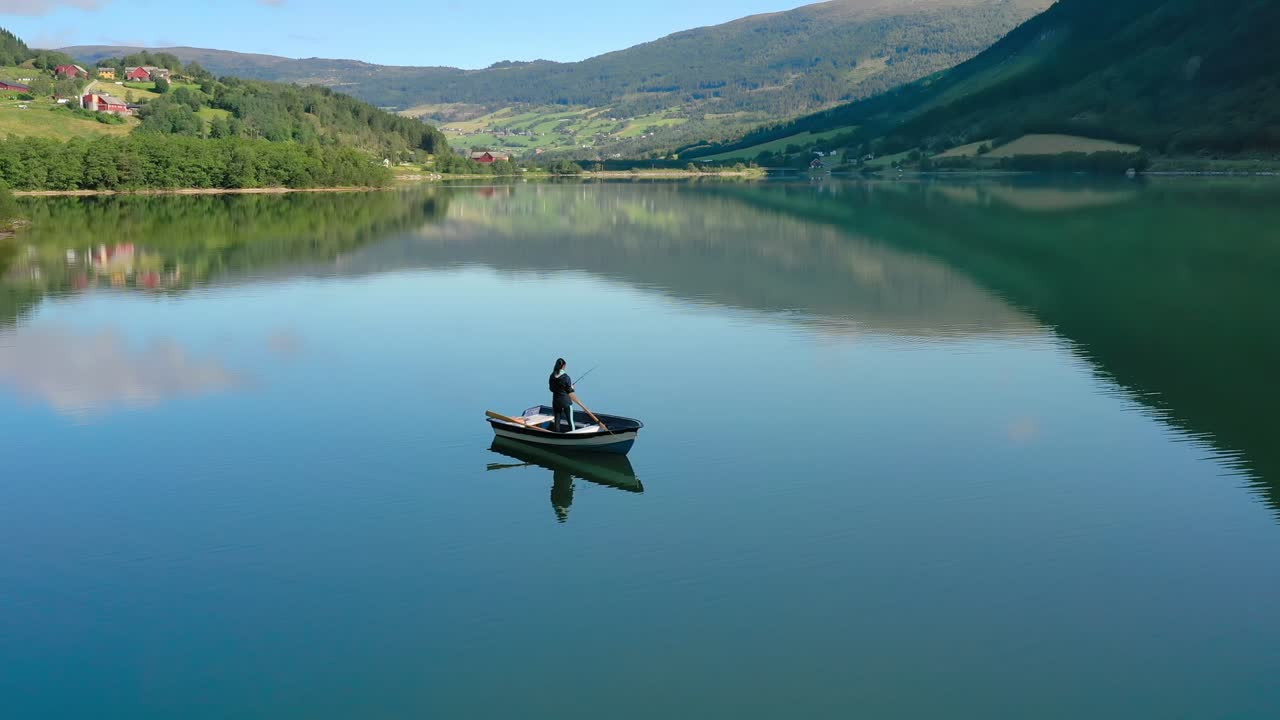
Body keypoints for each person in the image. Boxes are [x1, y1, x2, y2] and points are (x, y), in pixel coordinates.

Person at [549, 358, 576, 433]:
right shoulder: (566, 377)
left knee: (557, 420)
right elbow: (569, 390)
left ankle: (556, 435)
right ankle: (573, 434)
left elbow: (551, 389)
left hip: (556, 401)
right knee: (570, 420)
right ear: (563, 366)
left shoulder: (552, 376)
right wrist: (572, 388)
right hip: (566, 402)